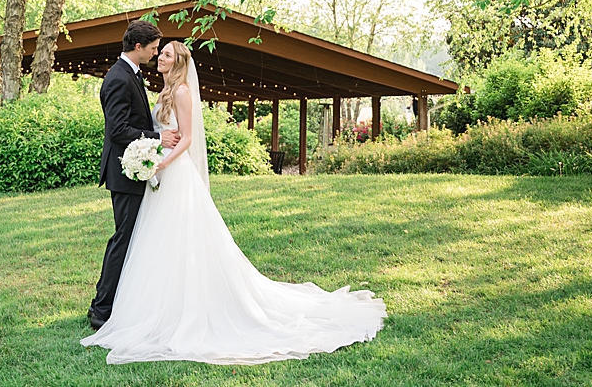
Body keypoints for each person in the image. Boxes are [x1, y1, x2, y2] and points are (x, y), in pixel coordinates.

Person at [82, 41, 387, 364]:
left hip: (174, 173)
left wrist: (162, 163)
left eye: (166, 54)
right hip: (159, 173)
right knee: (156, 241)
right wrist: (152, 155)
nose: (160, 57)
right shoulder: (163, 92)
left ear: (179, 62)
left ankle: (186, 308)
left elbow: (186, 138)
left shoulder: (183, 93)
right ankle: (155, 305)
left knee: (181, 239)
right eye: (159, 52)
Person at [88, 20, 180, 329]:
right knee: (123, 239)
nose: (156, 54)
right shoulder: (118, 78)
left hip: (135, 171)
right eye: (154, 48)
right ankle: (101, 310)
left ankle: (122, 303)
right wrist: (157, 139)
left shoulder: (131, 74)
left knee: (133, 238)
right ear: (138, 47)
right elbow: (117, 130)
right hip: (124, 172)